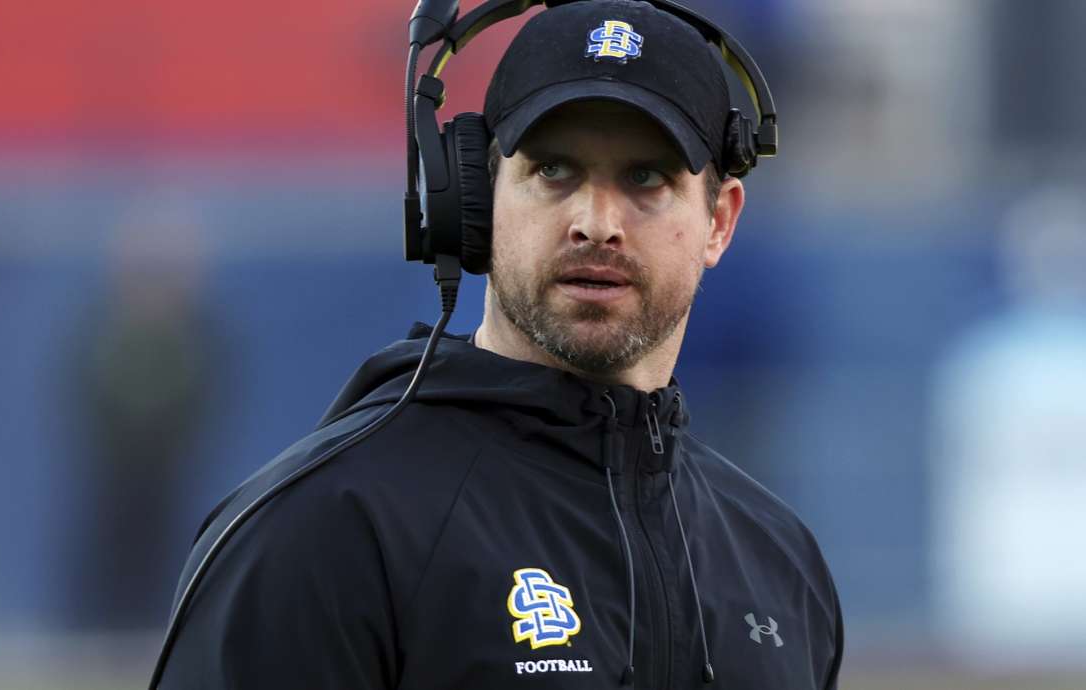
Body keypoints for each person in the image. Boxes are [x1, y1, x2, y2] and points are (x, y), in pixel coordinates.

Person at [158, 1, 843, 688]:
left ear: (718, 222)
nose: (595, 223)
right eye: (553, 171)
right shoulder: (327, 528)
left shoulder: (780, 562)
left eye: (644, 178)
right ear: (477, 201)